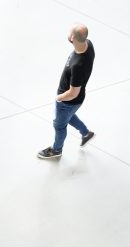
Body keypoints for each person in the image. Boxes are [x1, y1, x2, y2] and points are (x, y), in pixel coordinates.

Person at [38, 24, 96, 160]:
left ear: (72, 37)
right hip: (76, 101)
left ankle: (56, 150)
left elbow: (73, 93)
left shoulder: (78, 66)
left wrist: (59, 98)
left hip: (68, 101)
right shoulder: (89, 44)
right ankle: (86, 133)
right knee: (69, 116)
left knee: (59, 125)